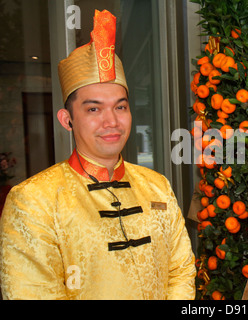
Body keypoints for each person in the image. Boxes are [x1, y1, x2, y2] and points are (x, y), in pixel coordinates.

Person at [0, 9, 196, 300]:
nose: (112, 122)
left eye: (120, 106)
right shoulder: (33, 200)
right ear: (67, 119)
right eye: (94, 109)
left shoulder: (157, 185)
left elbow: (180, 270)